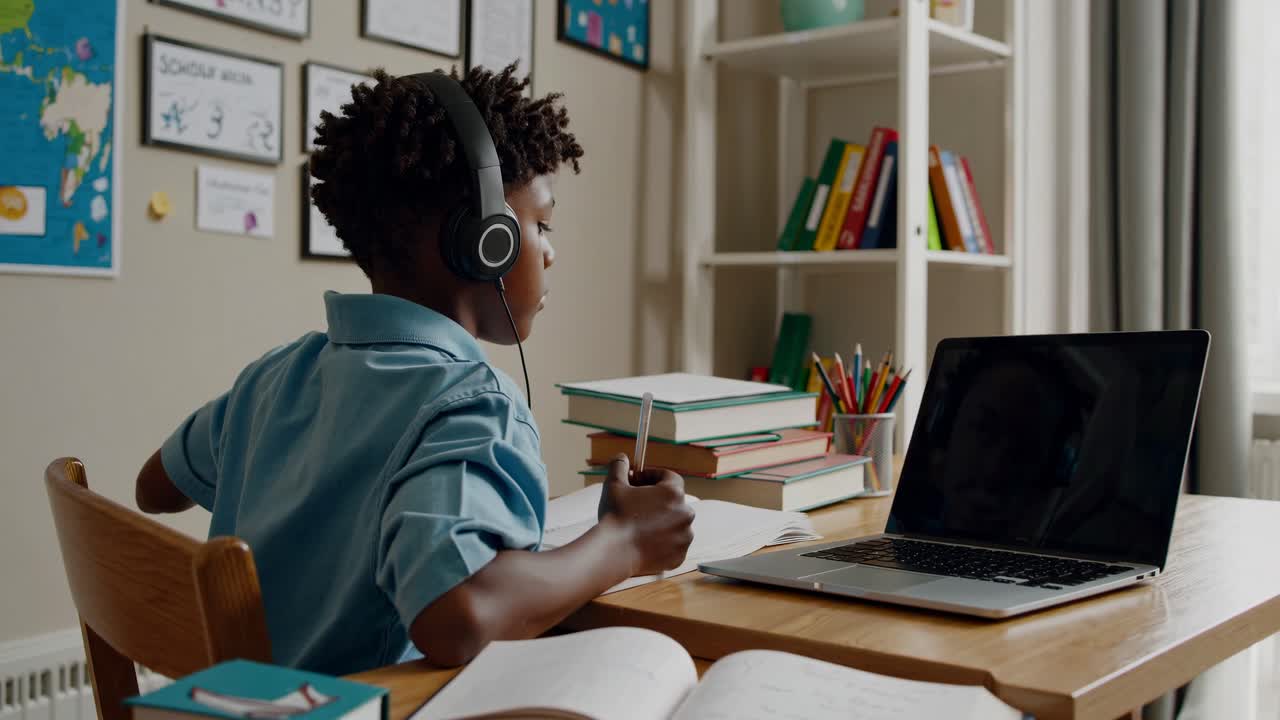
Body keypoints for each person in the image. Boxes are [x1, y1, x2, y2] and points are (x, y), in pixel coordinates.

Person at [133, 65, 694, 675]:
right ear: (485, 240)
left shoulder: (278, 375)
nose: (551, 251)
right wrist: (624, 544)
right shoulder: (470, 404)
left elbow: (153, 488)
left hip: (238, 706)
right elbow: (459, 617)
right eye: (540, 225)